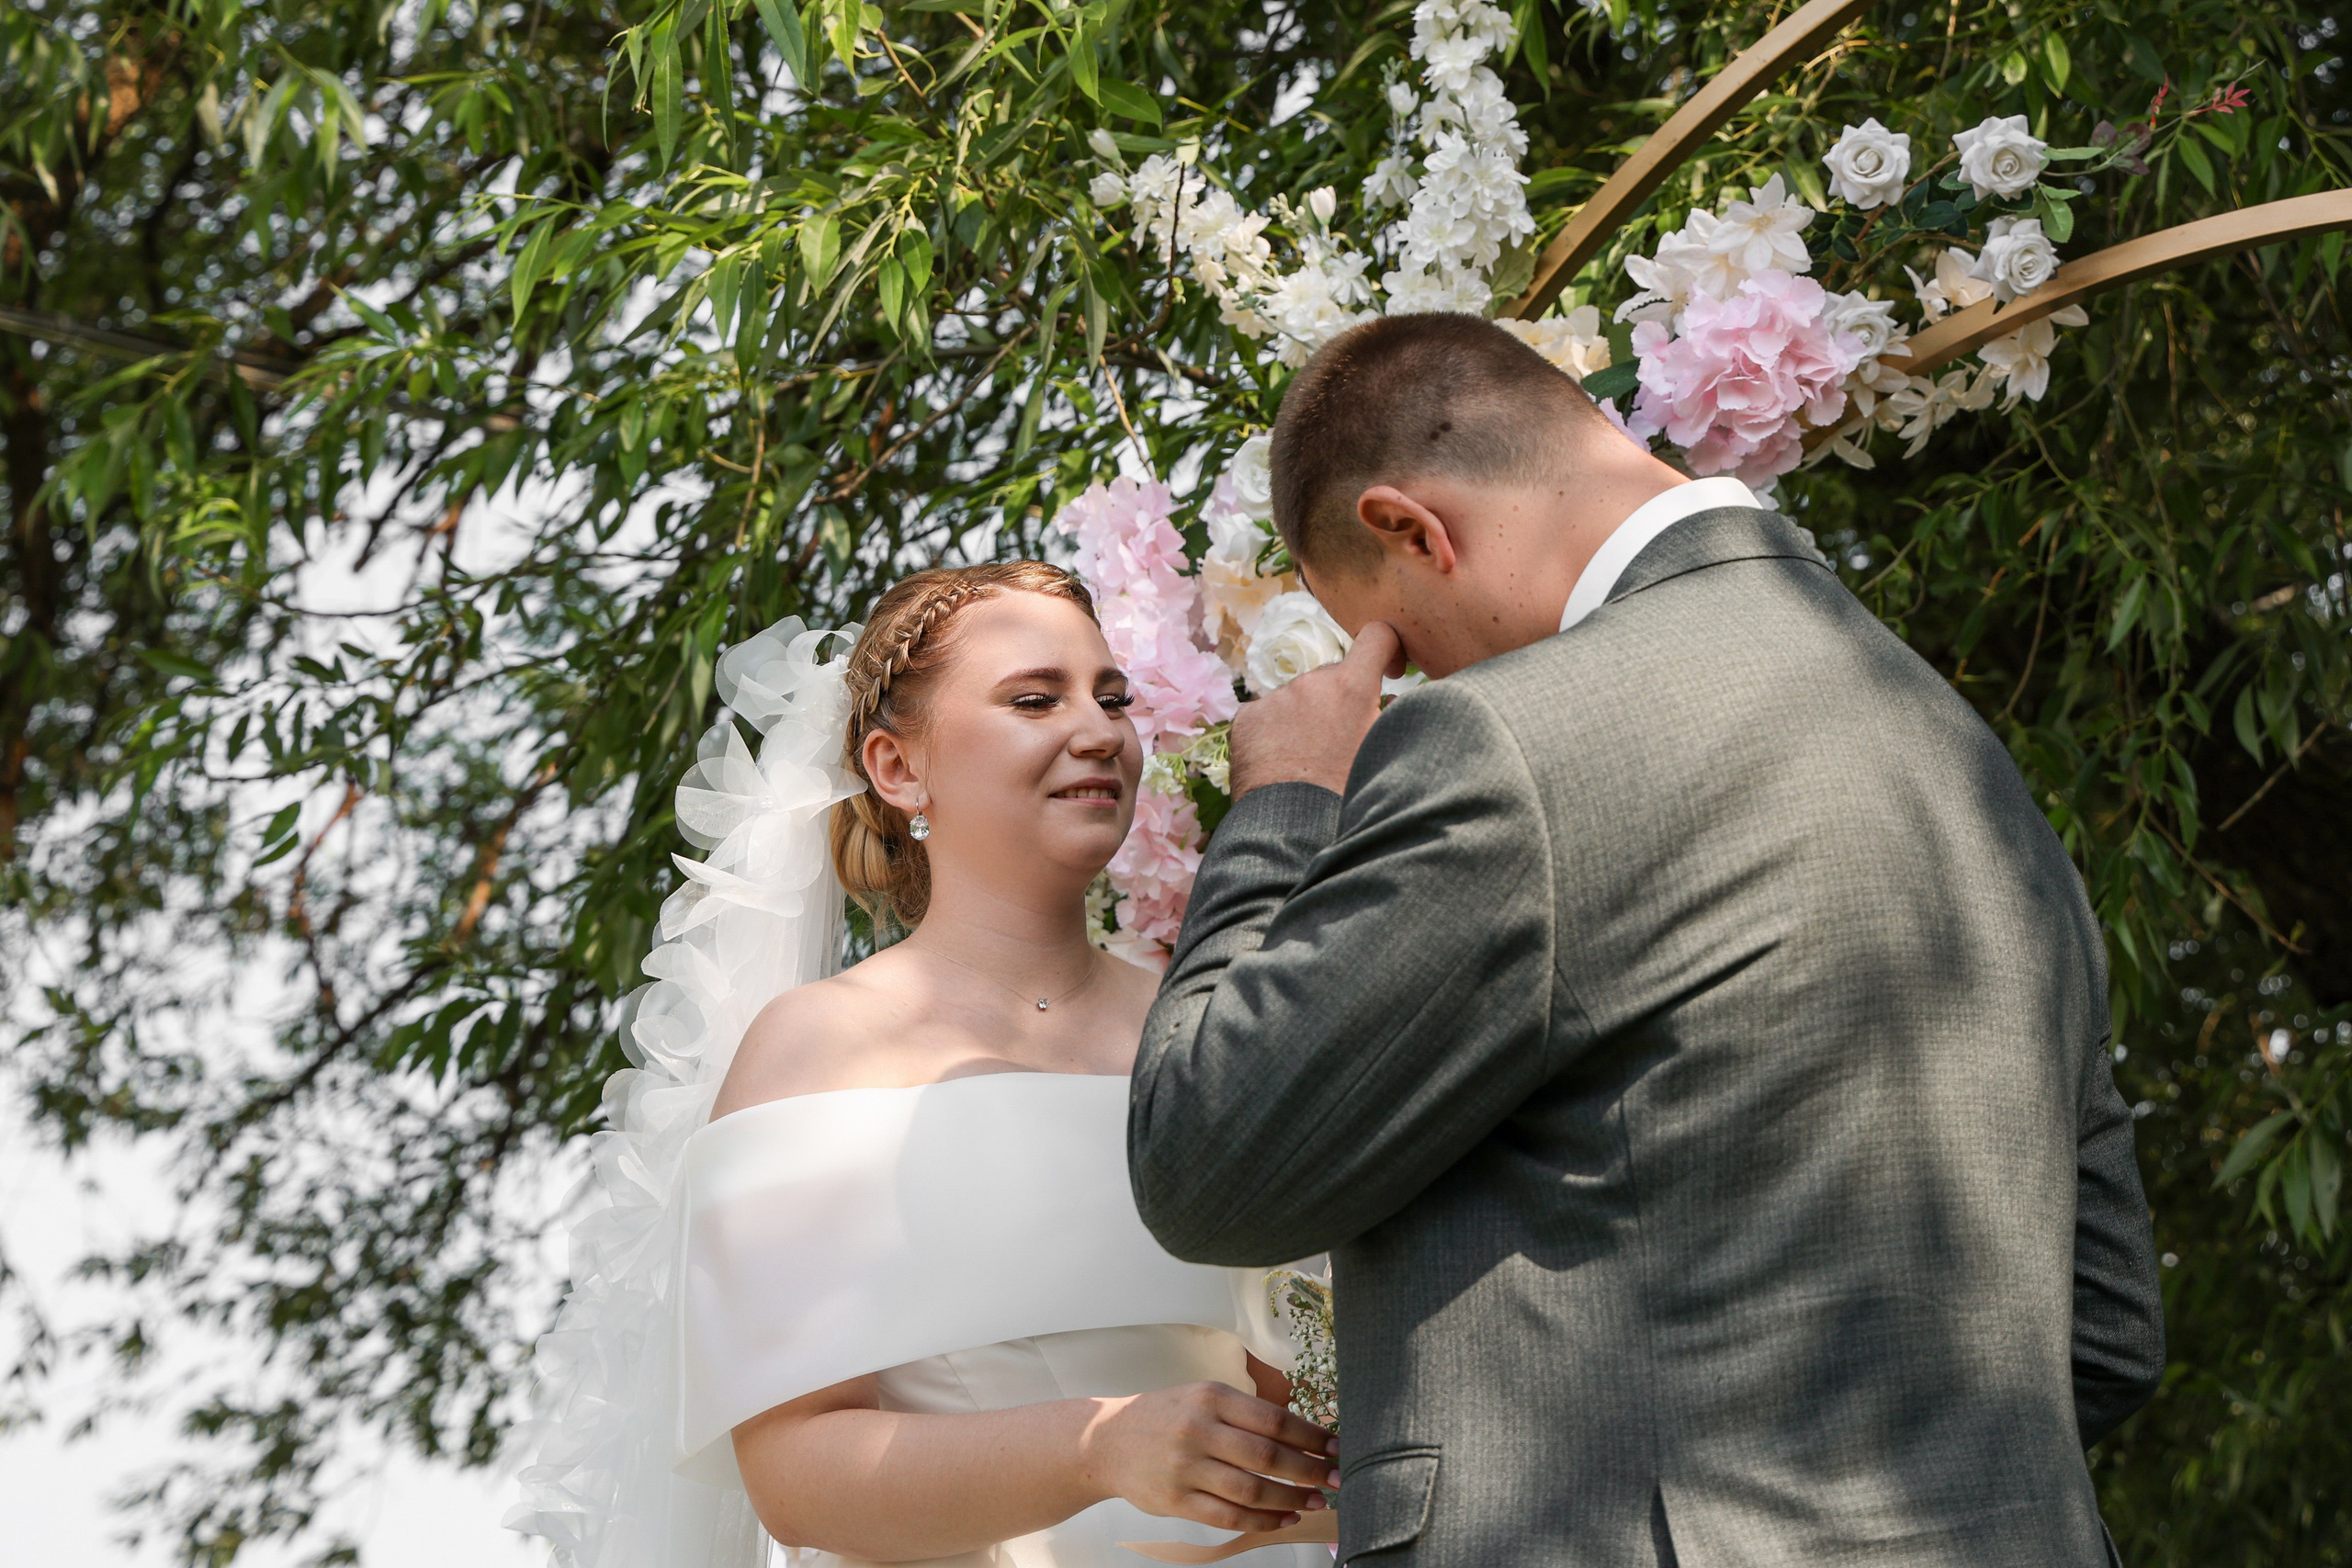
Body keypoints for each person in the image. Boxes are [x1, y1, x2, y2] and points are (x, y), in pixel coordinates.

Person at [1126, 313, 2165, 1567]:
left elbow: (1208, 1153)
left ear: (1414, 529)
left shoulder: (1509, 746)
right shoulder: (1971, 768)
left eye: (1397, 641)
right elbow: (2101, 1328)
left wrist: (1285, 799)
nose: (1413, 686)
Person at [669, 562, 1336, 1568]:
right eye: (1035, 698)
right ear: (896, 769)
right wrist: (1097, 1449)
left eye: (1112, 697)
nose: (1098, 729)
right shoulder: (821, 1047)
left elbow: (1289, 1407)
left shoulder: (1201, 1028)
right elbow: (796, 1480)